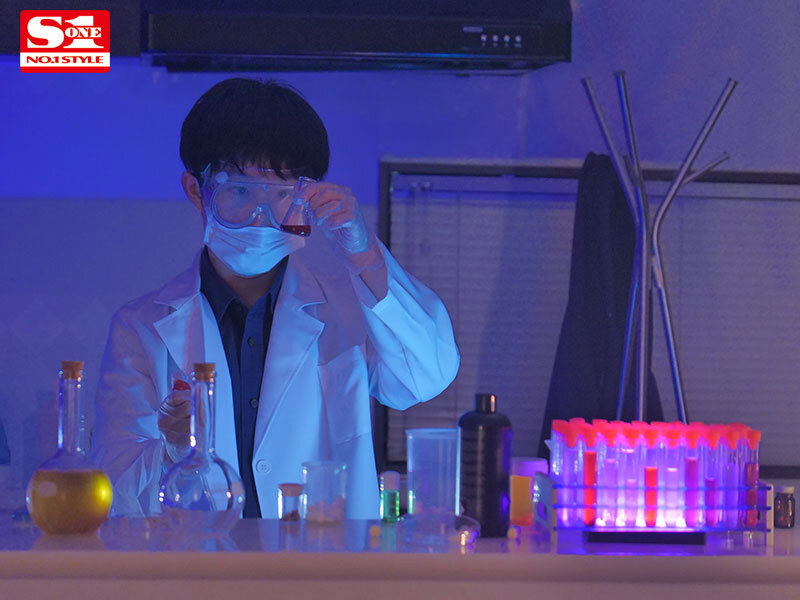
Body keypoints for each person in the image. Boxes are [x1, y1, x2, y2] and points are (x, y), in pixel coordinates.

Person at [91, 78, 460, 519]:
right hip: (197, 559)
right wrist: (171, 453)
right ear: (196, 191)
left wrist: (365, 257)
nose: (260, 217)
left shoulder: (348, 308)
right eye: (239, 191)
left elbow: (428, 375)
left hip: (323, 556)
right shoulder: (140, 328)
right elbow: (114, 493)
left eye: (283, 194)